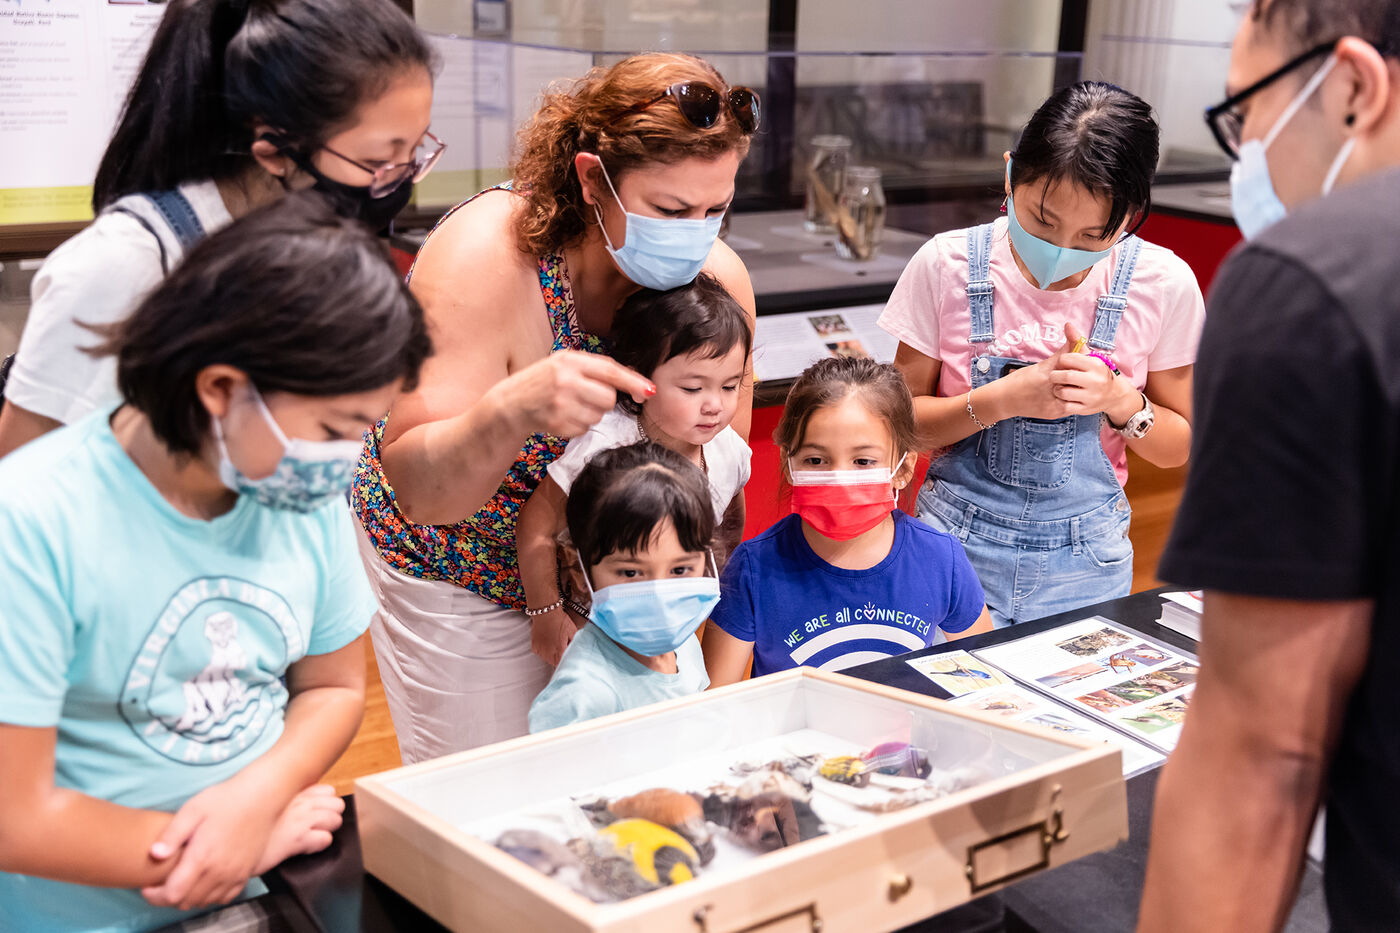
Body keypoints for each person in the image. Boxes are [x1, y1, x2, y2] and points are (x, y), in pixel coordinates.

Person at [0, 194, 432, 933]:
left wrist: (254, 795)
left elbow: (330, 688)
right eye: (335, 428)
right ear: (222, 388)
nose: (350, 457)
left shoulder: (296, 490)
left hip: (273, 882)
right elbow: (18, 816)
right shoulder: (31, 519)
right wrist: (240, 843)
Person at [352, 52, 760, 761]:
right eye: (670, 210)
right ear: (591, 177)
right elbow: (421, 491)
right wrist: (515, 409)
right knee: (486, 792)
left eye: (714, 209)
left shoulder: (717, 281)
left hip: (616, 579)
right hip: (458, 562)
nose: (697, 235)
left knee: (620, 778)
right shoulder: (489, 256)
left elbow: (718, 462)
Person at [1139, 2, 1400, 930]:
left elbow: (1262, 752)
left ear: (1355, 86)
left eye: (1243, 112)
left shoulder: (1314, 279)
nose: (1246, 147)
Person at [0, 0, 438, 458]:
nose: (399, 178)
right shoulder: (120, 268)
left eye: (414, 152)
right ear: (274, 151)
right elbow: (24, 497)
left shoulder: (302, 254)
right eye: (377, 161)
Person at [879, 81, 1205, 627]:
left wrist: (1123, 402)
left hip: (1087, 561)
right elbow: (898, 426)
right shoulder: (947, 264)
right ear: (1011, 174)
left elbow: (1178, 449)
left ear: (1131, 215)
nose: (1060, 250)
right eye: (1042, 221)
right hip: (950, 551)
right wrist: (1001, 399)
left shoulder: (1163, 282)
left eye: (1091, 237)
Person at [704, 358, 992, 686]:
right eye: (816, 460)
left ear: (903, 468)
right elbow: (716, 702)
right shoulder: (753, 568)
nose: (839, 477)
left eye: (863, 461)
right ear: (788, 463)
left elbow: (985, 675)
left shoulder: (940, 559)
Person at [516, 273, 752, 666]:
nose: (715, 405)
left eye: (729, 386)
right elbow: (537, 526)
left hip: (672, 632)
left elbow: (728, 521)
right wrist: (546, 612)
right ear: (639, 378)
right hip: (593, 628)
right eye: (694, 389)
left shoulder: (728, 451)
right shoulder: (604, 443)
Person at [528, 443, 715, 732]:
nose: (659, 598)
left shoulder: (684, 644)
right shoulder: (581, 694)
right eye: (630, 572)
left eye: (680, 570)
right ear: (580, 570)